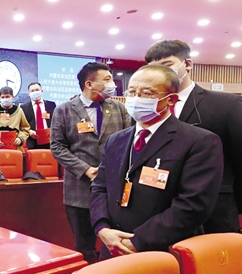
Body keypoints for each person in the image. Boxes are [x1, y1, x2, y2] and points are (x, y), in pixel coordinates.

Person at [90, 65, 224, 259]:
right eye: (132, 92)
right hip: (113, 245)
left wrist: (137, 241)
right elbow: (100, 187)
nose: (136, 99)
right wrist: (102, 228)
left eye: (147, 94)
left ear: (171, 100)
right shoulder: (116, 140)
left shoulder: (199, 141)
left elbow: (193, 206)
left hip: (163, 251)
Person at [145, 40, 242, 233]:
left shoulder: (226, 105)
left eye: (167, 65)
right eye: (154, 68)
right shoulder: (148, 108)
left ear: (188, 64)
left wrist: (227, 196)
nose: (161, 73)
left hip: (213, 213)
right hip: (157, 214)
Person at [50, 62, 131, 263]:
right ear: (89, 84)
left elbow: (129, 141)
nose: (113, 84)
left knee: (116, 243)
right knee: (84, 245)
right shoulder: (64, 110)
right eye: (107, 80)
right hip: (79, 190)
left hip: (114, 188)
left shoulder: (119, 108)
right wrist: (85, 169)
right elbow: (57, 147)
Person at [0, 86, 30, 151]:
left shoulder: (19, 111)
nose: (5, 99)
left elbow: (25, 128)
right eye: (3, 97)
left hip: (16, 147)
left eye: (7, 97)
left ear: (12, 97)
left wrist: (20, 138)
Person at [22, 81, 57, 149]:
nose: (35, 92)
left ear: (42, 91)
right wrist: (29, 131)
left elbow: (56, 121)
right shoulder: (24, 107)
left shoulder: (51, 105)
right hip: (33, 141)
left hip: (50, 140)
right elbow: (22, 125)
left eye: (37, 90)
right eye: (32, 91)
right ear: (29, 93)